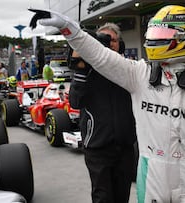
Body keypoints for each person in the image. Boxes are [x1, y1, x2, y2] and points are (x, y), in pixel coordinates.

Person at [31, 4, 185, 203]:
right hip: (151, 173)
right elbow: (100, 56)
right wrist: (69, 29)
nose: (153, 39)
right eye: (154, 32)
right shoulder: (140, 74)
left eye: (161, 33)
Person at [68, 23, 136, 203]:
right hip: (98, 147)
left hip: (125, 147)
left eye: (112, 40)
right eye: (102, 40)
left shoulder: (129, 69)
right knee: (103, 198)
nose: (108, 43)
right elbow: (75, 102)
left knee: (123, 196)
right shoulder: (86, 71)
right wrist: (81, 70)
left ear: (119, 44)